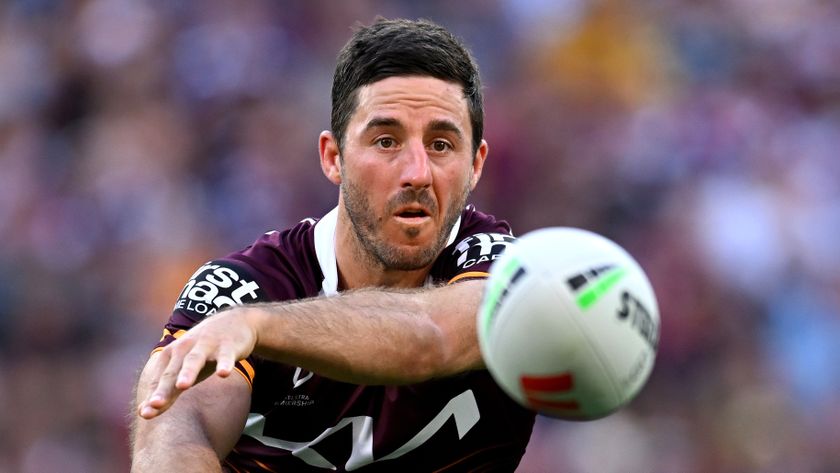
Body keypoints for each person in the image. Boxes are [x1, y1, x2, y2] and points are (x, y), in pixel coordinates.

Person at [131, 18, 536, 472]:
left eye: (441, 145)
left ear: (476, 164)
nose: (418, 172)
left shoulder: (507, 270)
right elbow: (173, 438)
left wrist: (260, 329)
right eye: (386, 141)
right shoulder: (238, 289)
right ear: (333, 157)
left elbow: (433, 337)